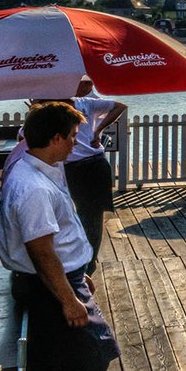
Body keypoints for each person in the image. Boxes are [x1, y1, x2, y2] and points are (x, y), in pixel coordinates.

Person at [0, 102, 126, 371]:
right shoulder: (33, 186)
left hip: (65, 279)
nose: (74, 144)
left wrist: (79, 272)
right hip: (51, 287)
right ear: (54, 138)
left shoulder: (37, 170)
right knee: (80, 365)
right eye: (70, 137)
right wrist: (68, 297)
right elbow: (40, 249)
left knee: (81, 363)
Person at [63, 76, 126, 275]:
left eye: (90, 82)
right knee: (71, 216)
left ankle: (88, 265)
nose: (89, 86)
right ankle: (78, 262)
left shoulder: (85, 104)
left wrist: (98, 129)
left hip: (92, 165)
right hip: (67, 168)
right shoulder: (54, 109)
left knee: (91, 217)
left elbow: (120, 106)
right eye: (84, 82)